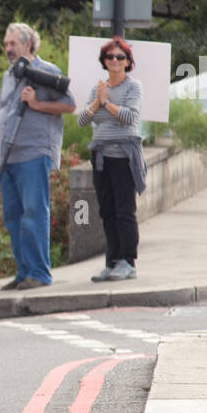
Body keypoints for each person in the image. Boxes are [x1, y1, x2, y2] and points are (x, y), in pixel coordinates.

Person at [0, 22, 76, 291]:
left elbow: (70, 105)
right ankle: (23, 272)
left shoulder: (46, 71)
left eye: (13, 44)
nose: (8, 49)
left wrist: (37, 103)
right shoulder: (8, 75)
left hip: (34, 153)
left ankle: (39, 273)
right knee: (13, 217)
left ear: (28, 44)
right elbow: (1, 117)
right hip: (9, 157)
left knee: (34, 212)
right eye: (6, 44)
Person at [78, 36, 145, 281]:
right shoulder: (99, 89)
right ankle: (113, 260)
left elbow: (130, 117)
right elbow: (82, 120)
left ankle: (128, 261)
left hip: (123, 156)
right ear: (104, 62)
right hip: (100, 157)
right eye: (110, 57)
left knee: (124, 210)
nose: (115, 61)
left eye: (120, 57)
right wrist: (98, 100)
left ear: (128, 62)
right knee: (106, 211)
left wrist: (106, 104)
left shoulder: (133, 87)